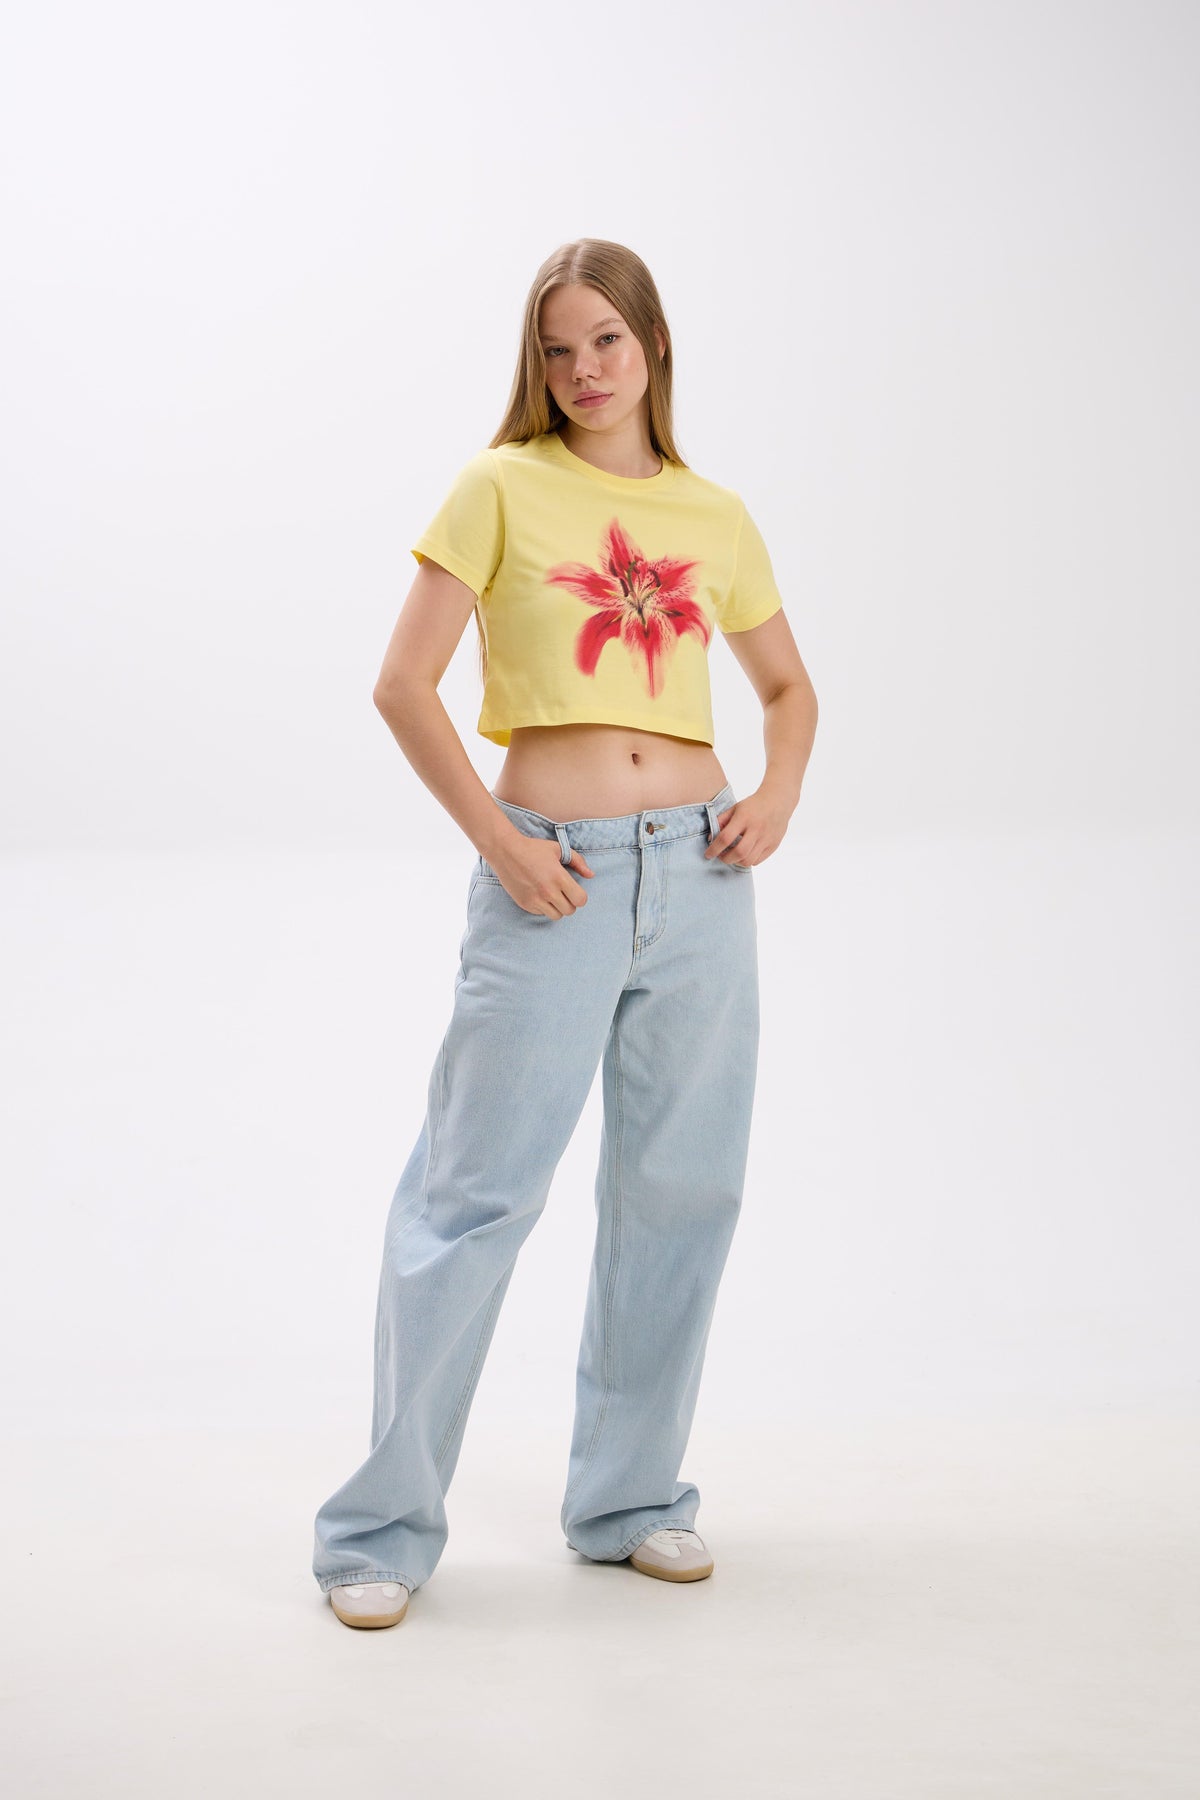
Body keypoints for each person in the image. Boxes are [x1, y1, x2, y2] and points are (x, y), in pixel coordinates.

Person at [312, 237, 818, 1629]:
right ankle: (380, 1526)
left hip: (702, 881)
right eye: (558, 347)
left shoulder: (714, 514)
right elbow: (403, 684)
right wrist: (499, 839)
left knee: (680, 1198)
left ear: (654, 342)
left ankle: (631, 1500)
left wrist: (778, 790)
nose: (585, 369)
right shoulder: (499, 486)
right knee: (472, 1198)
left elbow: (787, 688)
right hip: (558, 878)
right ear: (534, 367)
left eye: (608, 339)